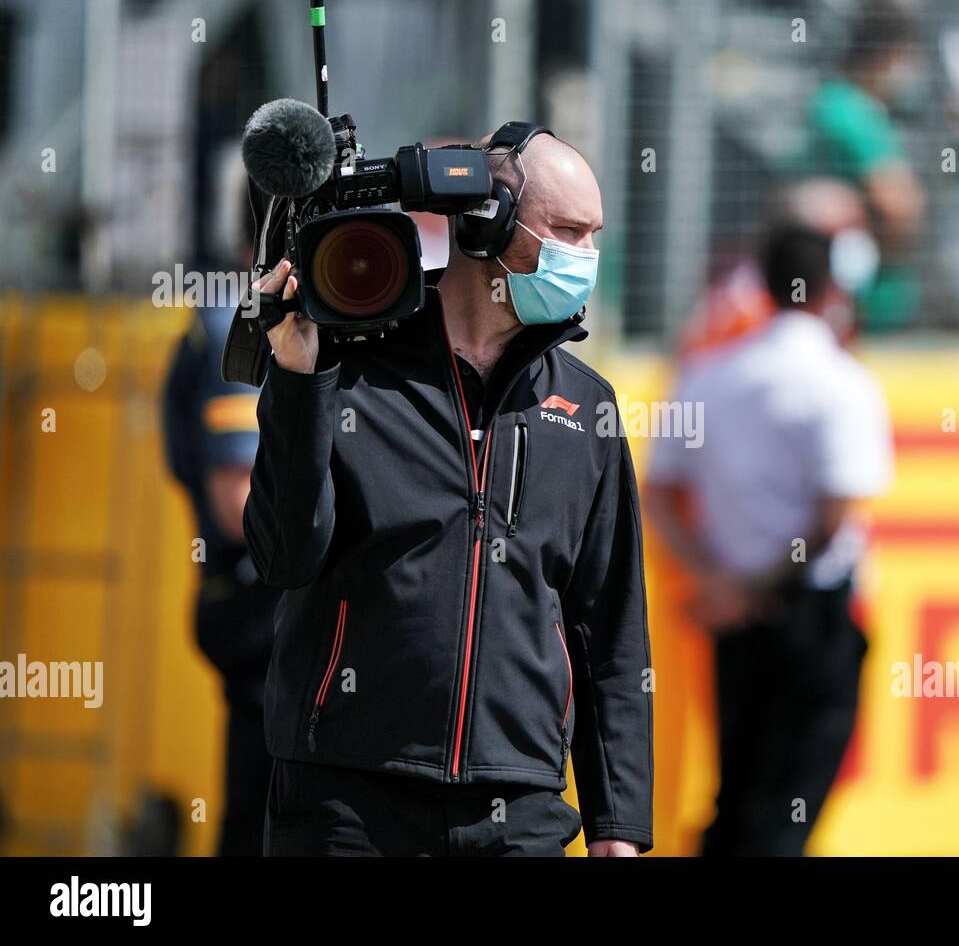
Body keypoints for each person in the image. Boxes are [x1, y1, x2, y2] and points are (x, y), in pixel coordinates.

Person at [246, 124, 653, 857]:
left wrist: (617, 829)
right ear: (487, 221)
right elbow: (282, 556)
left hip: (521, 807)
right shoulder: (348, 375)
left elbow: (611, 632)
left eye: (593, 236)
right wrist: (301, 381)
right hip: (346, 801)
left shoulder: (586, 409)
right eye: (567, 231)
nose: (585, 258)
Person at [644, 180, 893, 856]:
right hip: (807, 613)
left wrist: (720, 580)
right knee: (789, 809)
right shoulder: (844, 382)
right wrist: (769, 586)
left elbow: (660, 493)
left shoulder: (711, 374)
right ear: (831, 290)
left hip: (735, 617)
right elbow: (836, 514)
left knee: (738, 797)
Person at [162, 301, 278, 857]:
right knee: (261, 824)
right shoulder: (245, 319)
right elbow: (238, 502)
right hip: (259, 609)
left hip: (275, 619)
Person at [803, 0, 927, 331]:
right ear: (890, 53)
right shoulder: (856, 115)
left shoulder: (828, 102)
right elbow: (899, 206)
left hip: (833, 300)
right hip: (864, 309)